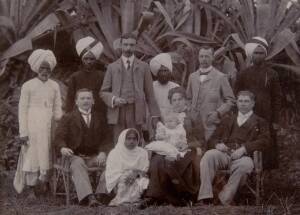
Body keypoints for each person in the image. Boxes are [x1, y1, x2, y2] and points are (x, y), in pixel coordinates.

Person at [197, 91, 270, 205]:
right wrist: (217, 145)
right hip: (225, 154)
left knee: (245, 165)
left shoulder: (260, 122)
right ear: (236, 103)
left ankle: (223, 199)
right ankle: (205, 197)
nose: (243, 104)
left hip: (245, 156)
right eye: (240, 101)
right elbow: (212, 139)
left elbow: (265, 141)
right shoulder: (228, 119)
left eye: (246, 101)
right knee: (208, 156)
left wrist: (244, 149)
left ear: (253, 104)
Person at [144, 87, 205, 207]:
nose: (177, 102)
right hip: (168, 147)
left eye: (180, 99)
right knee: (157, 160)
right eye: (174, 100)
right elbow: (161, 134)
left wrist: (187, 145)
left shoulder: (193, 115)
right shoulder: (166, 117)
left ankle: (183, 195)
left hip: (187, 149)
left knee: (181, 161)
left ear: (185, 100)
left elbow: (202, 139)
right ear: (171, 102)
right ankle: (153, 196)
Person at [15, 49, 62, 199]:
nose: (45, 71)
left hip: (49, 125)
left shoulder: (54, 85)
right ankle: (31, 189)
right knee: (32, 154)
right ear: (36, 68)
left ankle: (46, 184)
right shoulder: (28, 85)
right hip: (32, 124)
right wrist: (23, 132)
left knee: (48, 153)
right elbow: (22, 110)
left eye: (48, 68)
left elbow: (57, 107)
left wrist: (58, 123)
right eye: (42, 68)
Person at [100, 32, 160, 143]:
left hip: (136, 111)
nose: (128, 48)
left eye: (132, 45)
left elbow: (150, 95)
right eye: (126, 44)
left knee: (135, 142)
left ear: (136, 46)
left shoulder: (144, 67)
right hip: (118, 112)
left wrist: (155, 116)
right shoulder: (112, 67)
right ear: (121, 45)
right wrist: (114, 100)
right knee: (119, 143)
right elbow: (103, 92)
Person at [55, 89, 110, 207]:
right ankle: (89, 197)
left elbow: (107, 138)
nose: (86, 101)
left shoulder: (100, 117)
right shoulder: (68, 117)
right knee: (78, 163)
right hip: (74, 156)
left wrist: (103, 152)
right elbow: (59, 137)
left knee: (112, 163)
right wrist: (63, 148)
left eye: (88, 98)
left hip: (94, 156)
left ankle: (101, 194)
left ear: (93, 101)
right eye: (82, 98)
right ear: (76, 102)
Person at [235, 36, 282, 169]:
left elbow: (277, 97)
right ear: (250, 54)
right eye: (256, 53)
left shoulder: (272, 74)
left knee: (266, 139)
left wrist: (276, 120)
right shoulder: (243, 73)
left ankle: (267, 170)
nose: (259, 56)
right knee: (250, 138)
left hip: (267, 113)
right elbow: (237, 94)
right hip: (249, 113)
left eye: (261, 53)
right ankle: (248, 167)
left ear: (265, 55)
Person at [186, 45, 235, 140]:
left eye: (207, 56)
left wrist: (218, 113)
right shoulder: (192, 77)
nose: (204, 59)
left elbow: (230, 100)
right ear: (198, 57)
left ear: (212, 57)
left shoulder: (221, 77)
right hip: (194, 123)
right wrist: (189, 111)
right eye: (201, 56)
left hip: (211, 124)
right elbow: (188, 98)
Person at [105, 128, 149, 206]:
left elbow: (145, 169)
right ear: (123, 139)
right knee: (126, 179)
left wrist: (136, 173)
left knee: (144, 182)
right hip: (120, 178)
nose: (131, 141)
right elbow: (112, 171)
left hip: (138, 177)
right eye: (128, 138)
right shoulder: (115, 152)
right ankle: (124, 201)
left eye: (134, 139)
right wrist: (127, 174)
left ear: (137, 140)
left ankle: (137, 200)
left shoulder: (142, 152)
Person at [65, 36, 106, 113]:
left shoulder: (102, 76)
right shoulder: (75, 77)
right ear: (82, 59)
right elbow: (70, 99)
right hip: (79, 115)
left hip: (99, 114)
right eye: (86, 59)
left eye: (91, 59)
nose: (89, 62)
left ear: (96, 60)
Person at [150, 53, 179, 118]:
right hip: (155, 119)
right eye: (161, 71)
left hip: (172, 120)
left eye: (165, 70)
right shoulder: (151, 86)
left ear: (169, 72)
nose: (163, 74)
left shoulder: (176, 87)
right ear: (157, 72)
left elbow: (179, 107)